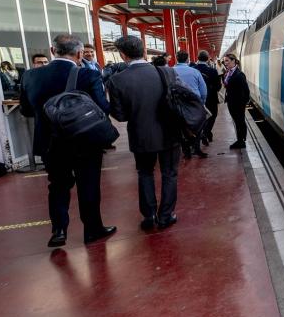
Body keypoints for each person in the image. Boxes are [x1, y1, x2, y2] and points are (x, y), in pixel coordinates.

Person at [19, 34, 116, 248]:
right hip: (84, 140)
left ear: (52, 51)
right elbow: (102, 107)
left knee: (57, 185)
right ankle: (92, 229)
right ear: (80, 53)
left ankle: (59, 230)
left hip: (50, 142)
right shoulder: (87, 76)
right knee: (88, 184)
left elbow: (26, 110)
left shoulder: (30, 76)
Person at [107, 35, 182, 230]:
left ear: (123, 55)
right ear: (145, 51)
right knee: (169, 174)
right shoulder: (167, 73)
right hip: (169, 133)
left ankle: (149, 216)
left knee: (145, 174)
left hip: (141, 135)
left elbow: (120, 116)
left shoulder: (116, 80)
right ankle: (166, 215)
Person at [172, 50, 208, 159]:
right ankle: (196, 148)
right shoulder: (195, 71)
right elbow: (203, 90)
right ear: (187, 59)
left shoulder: (170, 71)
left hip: (177, 104)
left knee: (181, 127)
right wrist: (202, 102)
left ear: (176, 58)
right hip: (194, 103)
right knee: (198, 125)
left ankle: (186, 150)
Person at [192, 50, 221, 145]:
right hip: (211, 98)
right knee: (213, 115)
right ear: (208, 58)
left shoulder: (192, 69)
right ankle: (206, 132)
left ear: (197, 58)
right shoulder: (212, 71)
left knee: (198, 117)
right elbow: (218, 87)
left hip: (196, 99)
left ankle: (203, 132)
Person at [222, 53, 249, 149]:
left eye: (227, 61)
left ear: (233, 61)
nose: (225, 63)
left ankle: (241, 141)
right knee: (237, 121)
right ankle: (240, 140)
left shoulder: (239, 74)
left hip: (238, 103)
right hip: (231, 101)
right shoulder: (229, 72)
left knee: (240, 121)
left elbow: (246, 91)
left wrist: (243, 103)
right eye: (224, 61)